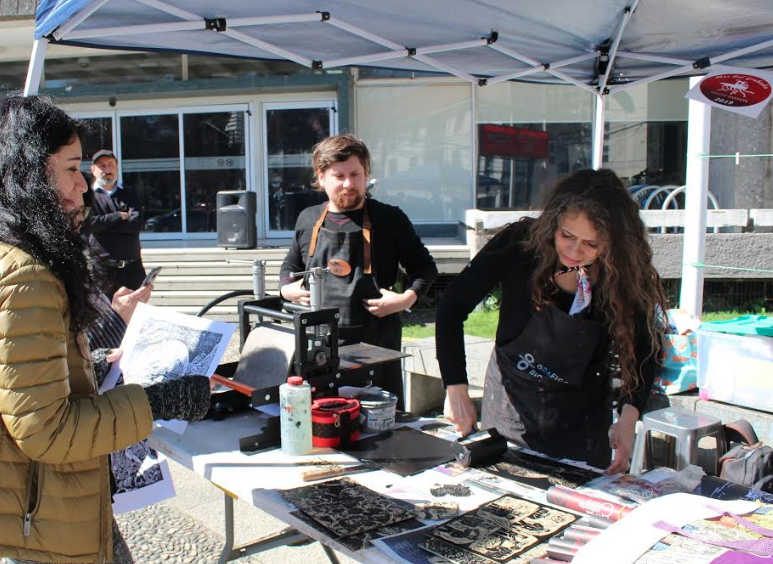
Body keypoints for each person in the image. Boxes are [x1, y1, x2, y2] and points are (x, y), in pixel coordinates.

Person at [0, 95, 209, 564]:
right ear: (27, 175)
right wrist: (157, 402)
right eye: (71, 168)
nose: (83, 186)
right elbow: (50, 433)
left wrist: (93, 362)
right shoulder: (24, 274)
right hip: (19, 505)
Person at [436, 169, 666, 474]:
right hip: (510, 411)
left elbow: (643, 349)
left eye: (591, 244)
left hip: (582, 426)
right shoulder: (518, 245)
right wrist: (456, 387)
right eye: (566, 236)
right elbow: (451, 307)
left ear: (612, 244)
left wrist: (629, 416)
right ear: (553, 222)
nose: (574, 251)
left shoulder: (623, 275)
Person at [280, 134, 438, 402]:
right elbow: (290, 265)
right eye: (338, 175)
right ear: (321, 177)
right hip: (318, 342)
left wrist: (405, 300)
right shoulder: (308, 218)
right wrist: (286, 289)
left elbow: (425, 267)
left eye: (355, 174)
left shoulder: (391, 219)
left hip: (376, 342)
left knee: (378, 426)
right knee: (320, 420)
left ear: (367, 174)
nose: (349, 184)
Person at [86, 149, 146, 295]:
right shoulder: (87, 196)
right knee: (104, 316)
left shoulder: (130, 193)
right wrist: (118, 216)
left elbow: (136, 225)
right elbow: (89, 225)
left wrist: (103, 225)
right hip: (102, 272)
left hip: (132, 270)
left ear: (117, 167)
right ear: (93, 170)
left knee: (136, 315)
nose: (107, 169)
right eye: (102, 166)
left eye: (110, 164)